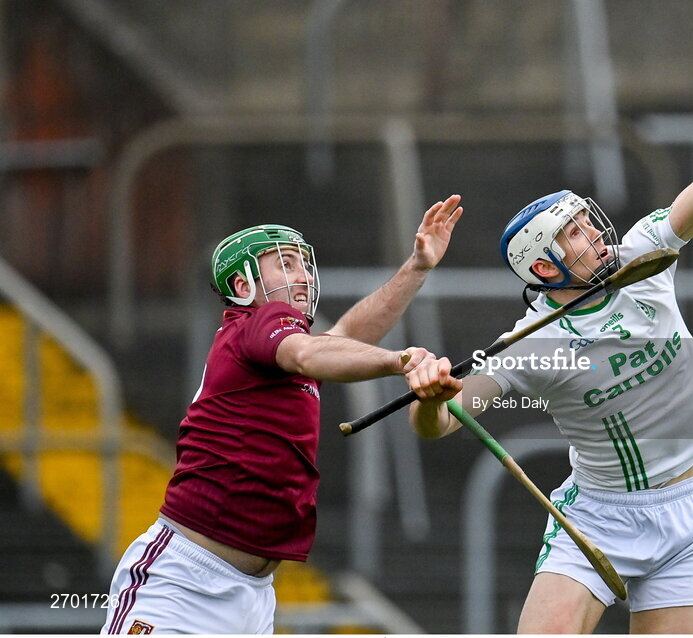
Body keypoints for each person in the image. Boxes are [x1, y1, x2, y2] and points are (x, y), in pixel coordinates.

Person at [408, 49, 693, 633]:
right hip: (598, 519)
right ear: (544, 270)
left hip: (690, 509)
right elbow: (444, 422)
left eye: (586, 222)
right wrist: (429, 398)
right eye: (573, 234)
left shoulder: (644, 257)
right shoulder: (529, 344)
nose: (595, 233)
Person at [101, 195, 464, 634]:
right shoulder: (255, 324)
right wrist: (400, 361)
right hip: (182, 583)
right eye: (286, 264)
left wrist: (417, 267)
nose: (303, 276)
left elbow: (345, 335)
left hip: (251, 596)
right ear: (242, 287)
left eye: (305, 265)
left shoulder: (278, 347)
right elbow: (313, 352)